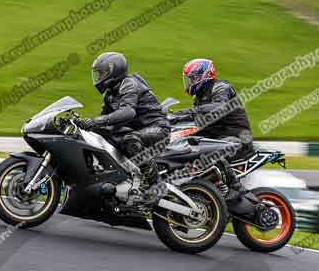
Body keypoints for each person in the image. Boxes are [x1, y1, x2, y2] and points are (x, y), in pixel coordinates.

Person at [77, 52, 170, 203]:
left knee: (130, 139)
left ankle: (156, 183)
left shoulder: (129, 84)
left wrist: (96, 122)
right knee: (96, 135)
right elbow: (104, 119)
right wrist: (84, 124)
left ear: (113, 71)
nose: (98, 78)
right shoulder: (110, 94)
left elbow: (128, 111)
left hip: (157, 128)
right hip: (137, 129)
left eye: (101, 73)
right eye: (97, 74)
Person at [172, 58, 253, 197]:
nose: (189, 82)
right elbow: (197, 119)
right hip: (218, 138)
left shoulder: (221, 87)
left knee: (213, 152)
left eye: (192, 78)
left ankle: (237, 190)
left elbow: (218, 107)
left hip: (237, 138)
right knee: (187, 150)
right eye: (188, 79)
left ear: (204, 75)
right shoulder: (198, 98)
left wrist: (188, 112)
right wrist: (173, 118)